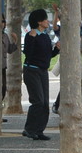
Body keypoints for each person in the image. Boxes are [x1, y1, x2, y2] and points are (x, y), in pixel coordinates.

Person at [22, 8, 59, 140]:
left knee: (44, 103)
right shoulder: (31, 35)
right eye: (44, 19)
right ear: (39, 22)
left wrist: (56, 49)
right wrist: (32, 39)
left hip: (43, 71)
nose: (47, 21)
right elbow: (28, 52)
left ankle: (39, 130)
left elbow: (48, 55)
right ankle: (29, 129)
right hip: (31, 70)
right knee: (37, 101)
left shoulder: (45, 36)